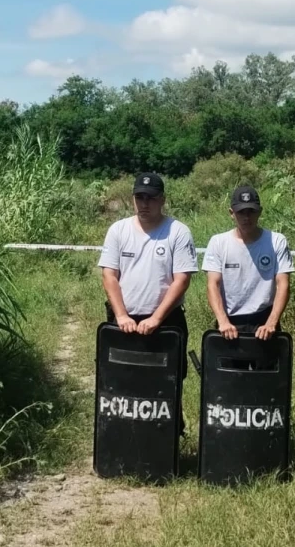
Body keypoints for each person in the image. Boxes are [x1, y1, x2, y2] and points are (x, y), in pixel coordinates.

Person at [97, 172, 197, 433]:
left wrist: (156, 318)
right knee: (123, 381)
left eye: (151, 198)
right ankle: (123, 435)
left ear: (162, 199)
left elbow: (182, 280)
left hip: (166, 321)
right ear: (133, 199)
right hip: (124, 321)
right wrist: (121, 316)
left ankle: (169, 434)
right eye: (139, 197)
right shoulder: (118, 230)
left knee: (168, 381)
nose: (144, 203)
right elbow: (109, 275)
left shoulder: (178, 231)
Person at [202, 185, 294, 340]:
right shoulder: (218, 242)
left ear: (260, 212)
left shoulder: (276, 241)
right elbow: (213, 284)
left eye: (251, 211)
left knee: (268, 365)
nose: (246, 217)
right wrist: (222, 321)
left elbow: (283, 284)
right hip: (229, 323)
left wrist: (272, 322)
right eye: (241, 212)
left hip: (264, 322)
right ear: (231, 213)